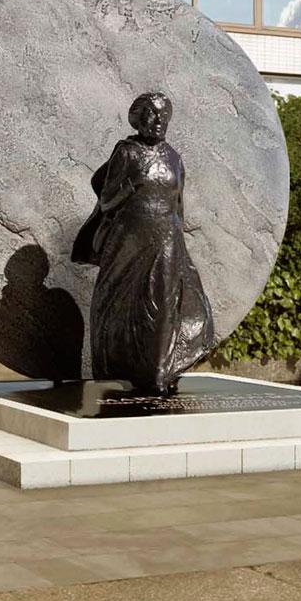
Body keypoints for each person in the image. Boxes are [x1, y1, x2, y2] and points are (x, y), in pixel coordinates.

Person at [70, 91, 211, 395]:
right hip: (129, 239)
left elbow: (178, 204)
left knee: (163, 303)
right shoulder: (126, 152)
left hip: (166, 238)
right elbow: (106, 199)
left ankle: (158, 372)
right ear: (137, 118)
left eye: (163, 115)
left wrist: (180, 243)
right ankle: (114, 365)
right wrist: (132, 184)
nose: (158, 120)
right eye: (151, 113)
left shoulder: (174, 157)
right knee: (115, 301)